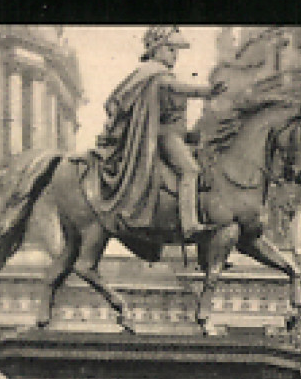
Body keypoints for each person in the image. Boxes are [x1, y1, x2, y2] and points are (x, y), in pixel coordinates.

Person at [94, 25, 224, 239]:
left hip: (175, 134)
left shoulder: (159, 73)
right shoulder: (153, 72)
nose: (175, 55)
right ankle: (190, 224)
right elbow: (177, 89)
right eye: (171, 49)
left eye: (176, 51)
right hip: (163, 136)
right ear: (157, 48)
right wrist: (206, 92)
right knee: (190, 170)